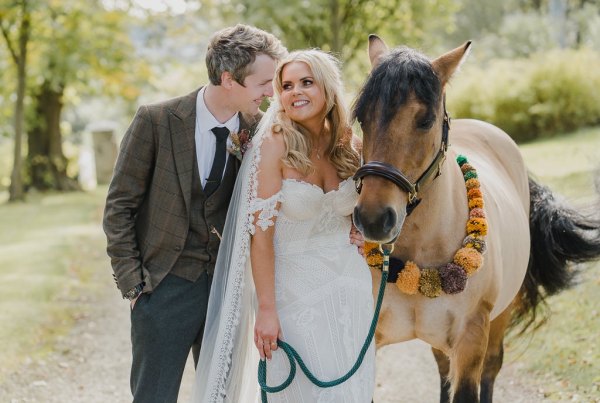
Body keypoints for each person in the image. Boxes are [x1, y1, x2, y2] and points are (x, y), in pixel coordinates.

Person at [102, 24, 287, 403]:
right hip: (162, 286)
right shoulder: (155, 121)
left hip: (229, 290)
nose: (273, 93)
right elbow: (119, 207)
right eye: (264, 82)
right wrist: (134, 285)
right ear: (228, 79)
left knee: (222, 395)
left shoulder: (262, 133)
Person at [192, 49, 375, 402]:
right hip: (293, 296)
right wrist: (268, 310)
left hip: (350, 288)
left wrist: (362, 229)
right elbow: (261, 239)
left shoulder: (350, 145)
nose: (295, 92)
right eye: (286, 85)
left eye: (306, 82)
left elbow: (373, 203)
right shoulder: (274, 144)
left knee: (350, 391)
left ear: (327, 87)